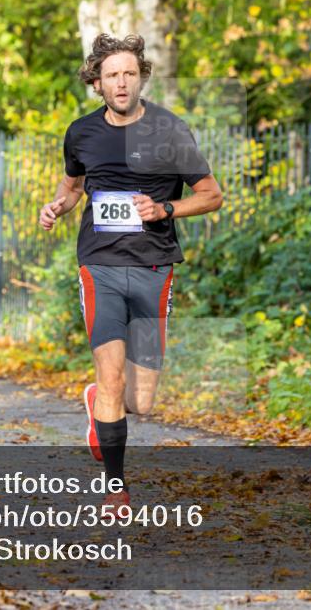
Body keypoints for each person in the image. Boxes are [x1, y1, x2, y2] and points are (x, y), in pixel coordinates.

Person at [39, 34, 223, 515]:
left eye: (129, 73)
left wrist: (165, 208)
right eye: (111, 75)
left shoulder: (170, 131)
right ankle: (116, 488)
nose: (121, 82)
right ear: (96, 84)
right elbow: (73, 185)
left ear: (141, 77)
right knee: (115, 376)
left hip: (154, 268)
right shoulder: (81, 133)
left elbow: (211, 195)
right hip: (99, 265)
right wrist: (58, 206)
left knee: (141, 401)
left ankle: (100, 400)